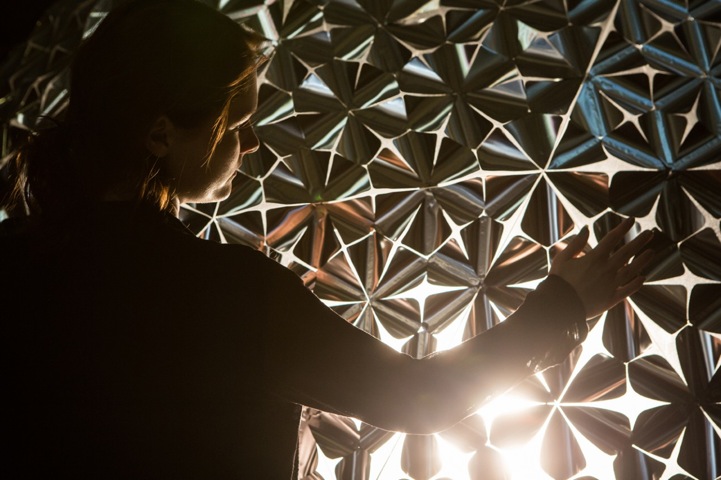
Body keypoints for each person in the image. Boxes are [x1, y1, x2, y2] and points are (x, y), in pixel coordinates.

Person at [0, 0, 654, 478]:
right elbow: (418, 397)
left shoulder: (16, 261)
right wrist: (563, 305)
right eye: (237, 125)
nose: (251, 146)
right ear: (160, 134)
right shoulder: (220, 291)